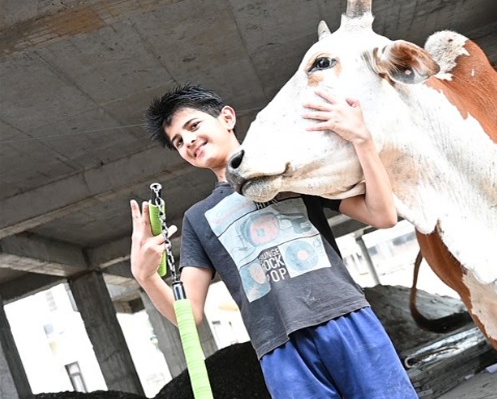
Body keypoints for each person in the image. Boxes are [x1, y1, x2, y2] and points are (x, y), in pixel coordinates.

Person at [129, 84, 418, 399]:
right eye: (178, 142)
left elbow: (382, 215)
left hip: (346, 319)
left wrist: (362, 140)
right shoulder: (199, 218)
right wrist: (145, 276)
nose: (189, 142)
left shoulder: (289, 172)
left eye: (193, 126)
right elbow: (188, 315)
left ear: (226, 117)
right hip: (279, 349)